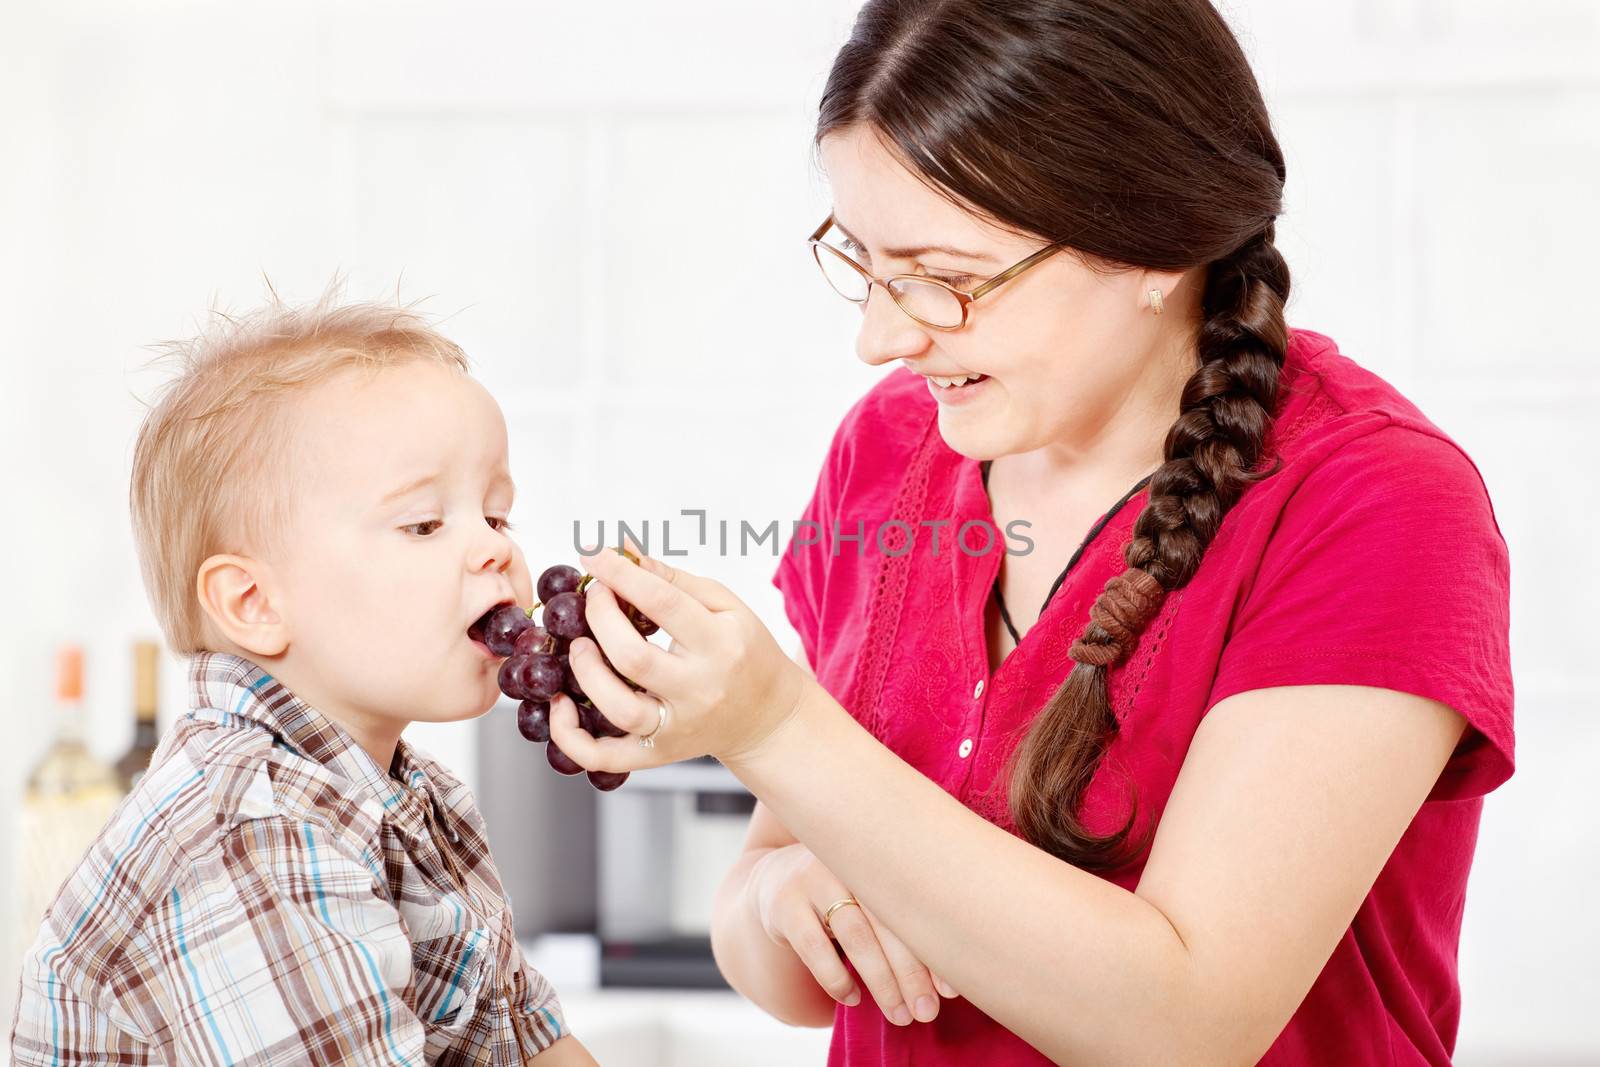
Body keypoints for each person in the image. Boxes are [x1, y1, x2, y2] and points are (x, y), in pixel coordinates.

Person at [545, 1, 1514, 1063]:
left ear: (1158, 242)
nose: (882, 336)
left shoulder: (1374, 503)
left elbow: (1187, 1024)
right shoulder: (889, 447)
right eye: (863, 262)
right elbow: (779, 958)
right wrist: (779, 892)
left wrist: (773, 727)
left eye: (949, 279)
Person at [11, 295, 599, 1066]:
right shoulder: (243, 834)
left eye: (497, 517)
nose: (493, 551)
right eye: (425, 523)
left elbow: (525, 1040)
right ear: (254, 604)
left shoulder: (423, 806)